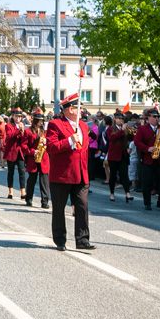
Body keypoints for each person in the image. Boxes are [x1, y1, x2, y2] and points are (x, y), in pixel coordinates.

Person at [46, 93, 95, 251]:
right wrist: (69, 141)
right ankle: (60, 240)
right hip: (62, 175)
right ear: (70, 109)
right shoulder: (56, 124)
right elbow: (51, 148)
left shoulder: (83, 126)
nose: (82, 111)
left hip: (81, 174)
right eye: (78, 108)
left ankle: (82, 239)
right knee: (59, 209)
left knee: (82, 206)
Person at [133, 108, 160, 211]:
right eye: (154, 117)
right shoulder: (142, 129)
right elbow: (137, 142)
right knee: (147, 181)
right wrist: (147, 148)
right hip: (148, 159)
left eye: (157, 117)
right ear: (149, 117)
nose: (156, 118)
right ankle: (147, 202)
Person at [25, 109, 50, 208]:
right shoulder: (28, 132)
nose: (41, 122)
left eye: (42, 121)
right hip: (33, 158)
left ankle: (44, 201)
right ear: (34, 120)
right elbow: (24, 146)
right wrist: (32, 152)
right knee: (32, 180)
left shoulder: (45, 132)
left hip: (44, 158)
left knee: (44, 182)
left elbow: (51, 144)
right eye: (39, 120)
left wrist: (46, 142)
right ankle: (29, 198)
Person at [2, 108, 29, 199]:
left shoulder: (23, 125)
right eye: (16, 116)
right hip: (11, 152)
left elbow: (23, 138)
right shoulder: (9, 125)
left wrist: (23, 131)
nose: (18, 118)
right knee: (11, 172)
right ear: (12, 116)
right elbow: (10, 136)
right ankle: (10, 192)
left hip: (19, 152)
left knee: (22, 172)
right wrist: (18, 129)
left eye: (19, 117)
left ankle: (23, 192)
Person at [105, 113, 133, 202]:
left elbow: (130, 139)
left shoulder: (124, 129)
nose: (120, 120)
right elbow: (112, 138)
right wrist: (122, 130)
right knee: (113, 175)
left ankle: (127, 193)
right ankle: (112, 193)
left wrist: (130, 132)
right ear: (115, 119)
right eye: (119, 118)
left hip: (123, 155)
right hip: (113, 156)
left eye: (122, 118)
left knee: (124, 174)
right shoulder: (110, 129)